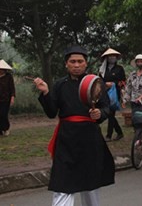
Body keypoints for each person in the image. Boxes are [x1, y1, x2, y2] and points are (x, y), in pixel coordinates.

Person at [33, 45, 115, 206]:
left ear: (86, 63)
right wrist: (45, 92)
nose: (76, 65)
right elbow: (51, 113)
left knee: (90, 185)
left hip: (90, 139)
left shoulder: (96, 83)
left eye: (80, 61)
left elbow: (107, 107)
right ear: (66, 64)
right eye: (72, 62)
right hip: (66, 140)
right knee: (62, 183)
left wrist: (100, 114)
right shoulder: (59, 85)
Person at [99, 48, 126, 142]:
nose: (112, 58)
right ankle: (119, 132)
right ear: (107, 58)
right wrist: (105, 85)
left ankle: (109, 135)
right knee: (109, 114)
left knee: (111, 113)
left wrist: (114, 83)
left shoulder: (119, 68)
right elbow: (99, 80)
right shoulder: (103, 69)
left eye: (113, 56)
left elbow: (123, 81)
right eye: (110, 56)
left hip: (115, 93)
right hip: (104, 93)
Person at [0, 59, 15, 136]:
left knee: (3, 114)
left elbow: (12, 88)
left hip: (6, 99)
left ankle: (6, 128)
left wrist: (12, 97)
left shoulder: (9, 77)